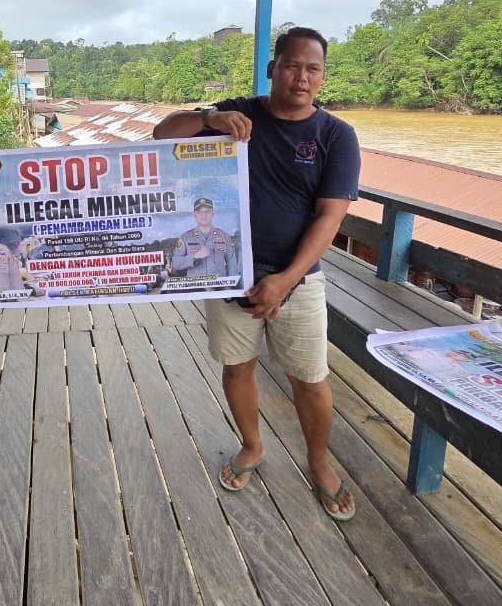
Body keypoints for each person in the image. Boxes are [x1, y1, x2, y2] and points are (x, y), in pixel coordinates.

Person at [153, 26, 361, 521]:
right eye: (292, 65)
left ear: (323, 77)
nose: (301, 77)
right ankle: (252, 445)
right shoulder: (238, 115)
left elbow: (330, 217)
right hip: (228, 273)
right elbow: (163, 135)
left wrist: (285, 279)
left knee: (310, 379)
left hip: (299, 279)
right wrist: (211, 117)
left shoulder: (336, 135)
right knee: (237, 367)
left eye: (313, 69)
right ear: (273, 69)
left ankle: (318, 461)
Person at [171, 197, 240, 278]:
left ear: (213, 214)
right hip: (196, 285)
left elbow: (232, 266)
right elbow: (175, 263)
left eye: (207, 211)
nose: (203, 215)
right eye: (199, 212)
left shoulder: (225, 237)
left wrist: (233, 284)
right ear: (194, 215)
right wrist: (194, 257)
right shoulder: (185, 237)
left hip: (219, 285)